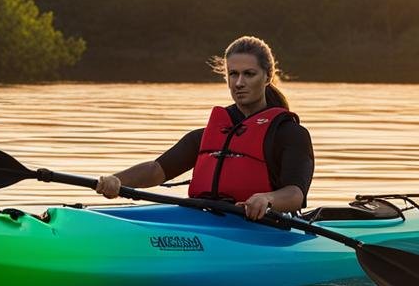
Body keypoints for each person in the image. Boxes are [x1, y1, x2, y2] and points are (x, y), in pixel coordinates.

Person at [95, 36, 314, 220]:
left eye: (249, 74)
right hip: (205, 221)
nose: (239, 83)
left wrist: (268, 198)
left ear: (267, 76)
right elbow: (156, 170)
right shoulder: (206, 135)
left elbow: (295, 193)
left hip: (264, 228)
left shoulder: (291, 134)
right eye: (233, 74)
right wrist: (117, 180)